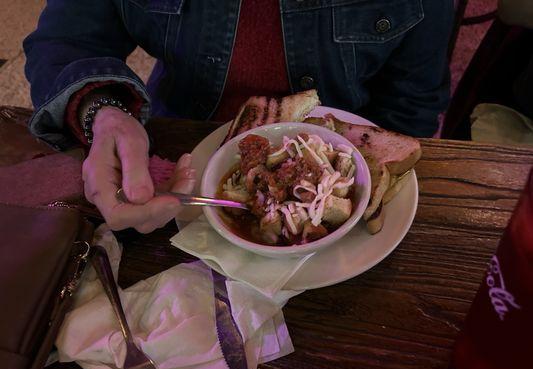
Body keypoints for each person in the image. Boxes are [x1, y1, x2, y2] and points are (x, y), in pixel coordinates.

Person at [23, 0, 453, 233]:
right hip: (173, 153)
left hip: (347, 156)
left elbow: (411, 103)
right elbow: (65, 41)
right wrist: (103, 112)